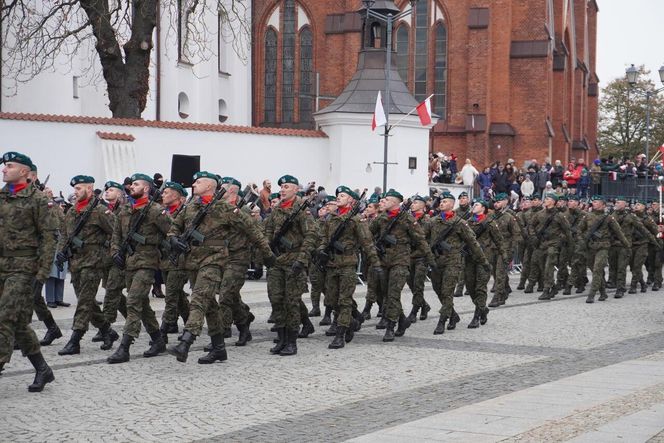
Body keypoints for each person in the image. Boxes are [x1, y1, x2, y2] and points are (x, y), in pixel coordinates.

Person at [0, 151, 57, 392]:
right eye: (4, 165)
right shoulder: (1, 196)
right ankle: (43, 369)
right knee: (20, 323)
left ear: (24, 171)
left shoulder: (37, 199)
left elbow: (48, 237)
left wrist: (42, 274)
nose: (4, 169)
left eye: (9, 165)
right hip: (2, 265)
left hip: (23, 268)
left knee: (4, 318)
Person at [107, 173, 171, 363]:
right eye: (131, 184)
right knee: (142, 304)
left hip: (147, 262)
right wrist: (115, 253)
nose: (131, 187)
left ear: (146, 188)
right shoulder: (125, 209)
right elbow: (116, 236)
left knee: (133, 301)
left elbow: (172, 232)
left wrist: (155, 244)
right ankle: (158, 340)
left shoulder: (155, 211)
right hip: (128, 262)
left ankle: (125, 347)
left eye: (136, 184)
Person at [56, 175, 120, 356]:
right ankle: (108, 331)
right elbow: (65, 235)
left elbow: (117, 233)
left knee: (84, 302)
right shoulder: (72, 212)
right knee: (88, 303)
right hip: (76, 262)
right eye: (74, 189)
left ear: (89, 189)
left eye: (78, 189)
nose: (75, 193)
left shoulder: (100, 211)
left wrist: (107, 250)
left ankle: (75, 340)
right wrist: (61, 253)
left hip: (94, 262)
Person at [316, 186, 381, 349]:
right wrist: (322, 250)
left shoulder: (356, 219)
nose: (338, 197)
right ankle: (350, 322)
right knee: (331, 300)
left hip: (347, 263)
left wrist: (376, 263)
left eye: (343, 195)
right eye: (338, 195)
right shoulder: (331, 217)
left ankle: (340, 333)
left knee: (344, 300)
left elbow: (367, 242)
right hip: (331, 263)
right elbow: (324, 237)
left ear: (351, 200)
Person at [263, 175, 316, 355]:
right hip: (277, 261)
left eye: (286, 186)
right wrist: (268, 252)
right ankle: (282, 337)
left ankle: (291, 341)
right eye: (281, 187)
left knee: (291, 302)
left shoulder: (302, 211)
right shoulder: (277, 211)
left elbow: (310, 237)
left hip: (294, 260)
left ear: (296, 189)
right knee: (276, 299)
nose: (283, 189)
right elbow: (268, 231)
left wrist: (302, 260)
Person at [428, 192, 487, 334]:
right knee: (438, 290)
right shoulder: (433, 221)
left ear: (452, 204)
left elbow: (472, 243)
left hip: (453, 262)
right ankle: (453, 315)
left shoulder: (459, 223)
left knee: (447, 291)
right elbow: (422, 238)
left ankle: (442, 320)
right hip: (437, 261)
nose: (441, 203)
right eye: (441, 202)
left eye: (445, 202)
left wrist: (483, 261)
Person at [578, 195, 630, 303]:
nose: (594, 203)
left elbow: (619, 233)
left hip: (603, 247)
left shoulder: (609, 218)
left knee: (597, 269)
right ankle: (603, 292)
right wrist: (582, 240)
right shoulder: (588, 216)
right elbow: (579, 230)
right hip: (590, 247)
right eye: (593, 202)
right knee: (595, 271)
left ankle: (591, 294)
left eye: (597, 202)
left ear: (603, 205)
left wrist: (627, 246)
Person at [465, 199, 503, 327]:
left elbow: (499, 240)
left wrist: (504, 257)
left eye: (476, 205)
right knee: (470, 287)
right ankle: (483, 309)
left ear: (483, 208)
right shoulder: (467, 222)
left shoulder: (490, 222)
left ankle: (476, 316)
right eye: (473, 204)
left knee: (480, 287)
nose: (473, 206)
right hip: (469, 258)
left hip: (484, 259)